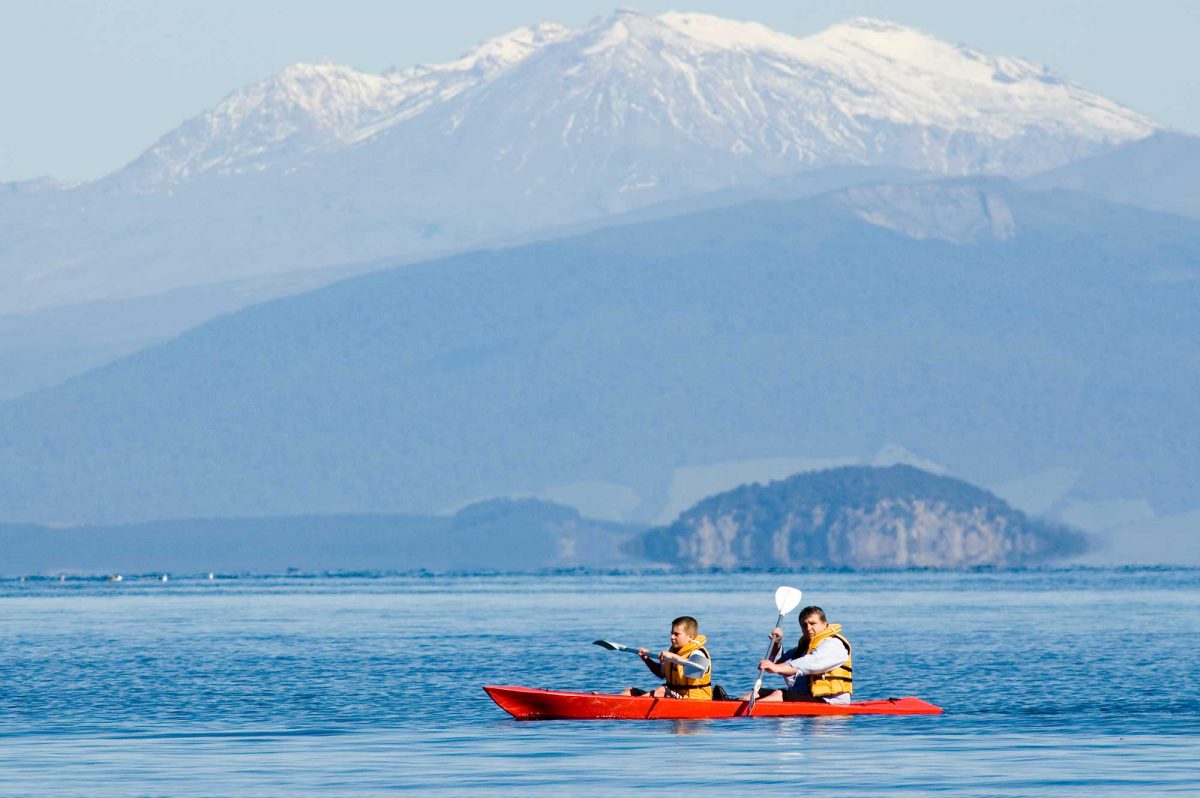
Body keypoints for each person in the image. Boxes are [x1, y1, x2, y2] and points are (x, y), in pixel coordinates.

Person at [740, 605, 852, 705]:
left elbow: (812, 662)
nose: (808, 628)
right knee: (757, 692)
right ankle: (732, 704)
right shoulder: (804, 648)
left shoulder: (833, 644)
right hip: (808, 696)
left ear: (824, 624)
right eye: (804, 625)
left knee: (780, 694)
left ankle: (749, 709)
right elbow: (780, 664)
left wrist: (776, 667)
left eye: (813, 623)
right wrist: (776, 643)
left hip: (831, 701)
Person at [620, 615, 713, 700]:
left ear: (691, 637)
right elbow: (661, 673)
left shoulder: (699, 653)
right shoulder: (674, 652)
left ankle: (628, 707)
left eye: (676, 634)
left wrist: (672, 656)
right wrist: (647, 660)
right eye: (672, 633)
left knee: (661, 691)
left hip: (696, 701)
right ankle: (613, 706)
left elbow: (696, 667)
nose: (672, 637)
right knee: (630, 691)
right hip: (676, 697)